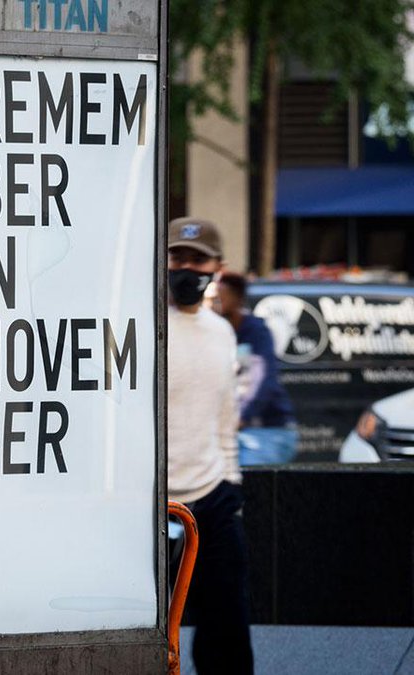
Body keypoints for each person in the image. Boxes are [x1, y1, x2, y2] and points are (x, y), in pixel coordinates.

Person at [167, 217, 254, 674]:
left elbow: (226, 421)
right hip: (151, 510)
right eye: (177, 256)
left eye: (197, 259)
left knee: (227, 633)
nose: (185, 267)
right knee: (151, 637)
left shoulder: (223, 333)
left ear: (217, 267)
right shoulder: (140, 326)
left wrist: (232, 489)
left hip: (213, 503)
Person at [216, 271, 299, 465]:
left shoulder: (255, 332)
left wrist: (241, 418)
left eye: (220, 297)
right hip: (231, 431)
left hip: (265, 431)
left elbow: (260, 379)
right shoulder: (215, 331)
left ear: (237, 300)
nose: (214, 303)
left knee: (247, 483)